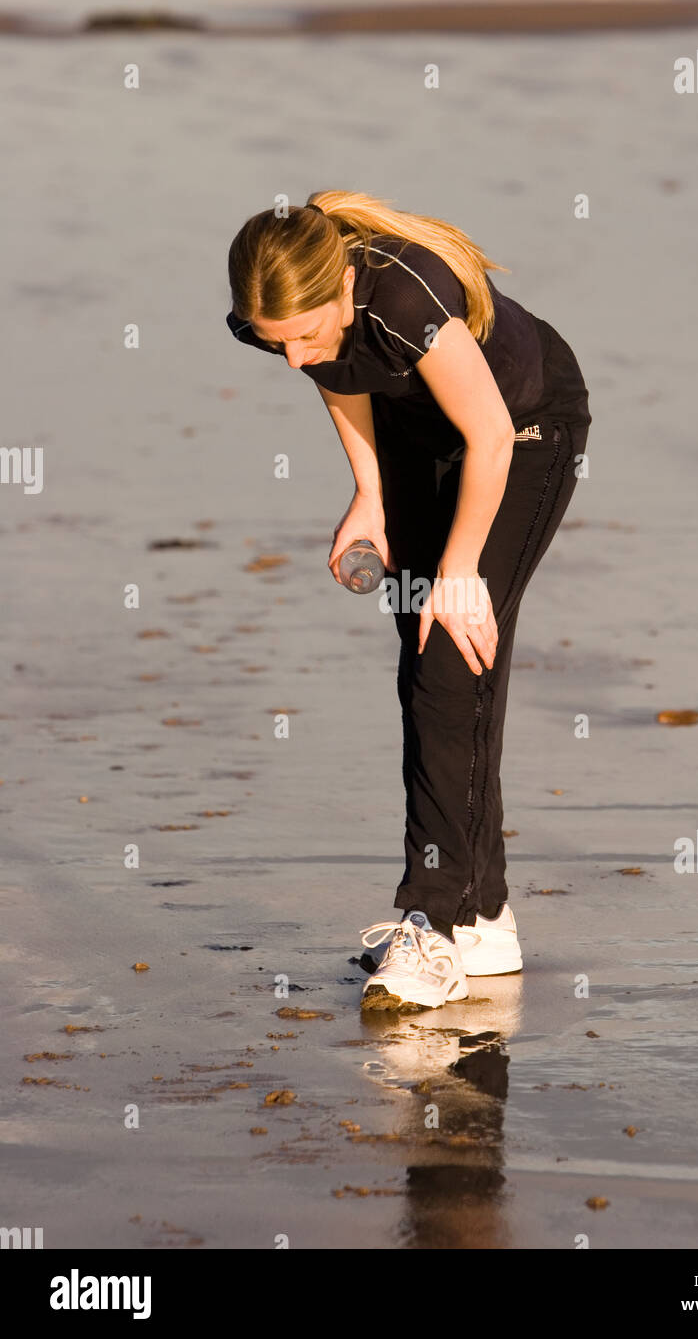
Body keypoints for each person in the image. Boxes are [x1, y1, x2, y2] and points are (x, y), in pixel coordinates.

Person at [226, 190, 591, 1012]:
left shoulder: (401, 296)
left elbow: (491, 437)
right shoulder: (293, 318)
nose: (291, 360)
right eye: (272, 345)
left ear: (342, 290)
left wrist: (461, 567)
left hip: (523, 434)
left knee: (446, 665)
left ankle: (431, 925)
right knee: (432, 673)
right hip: (418, 436)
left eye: (302, 336)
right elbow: (339, 371)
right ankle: (484, 917)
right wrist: (369, 494)